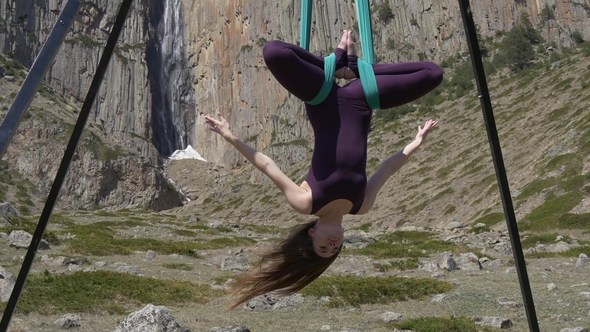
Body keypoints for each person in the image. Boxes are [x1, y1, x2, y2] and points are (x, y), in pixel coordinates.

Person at [204, 30, 443, 309]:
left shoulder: (306, 202)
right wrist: (415, 143)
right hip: (363, 97)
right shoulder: (360, 205)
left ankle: (337, 61)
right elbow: (388, 169)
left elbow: (267, 164)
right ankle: (354, 68)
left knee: (274, 52)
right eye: (334, 250)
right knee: (433, 73)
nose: (332, 244)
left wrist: (230, 138)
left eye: (322, 247)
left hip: (321, 96)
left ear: (311, 234)